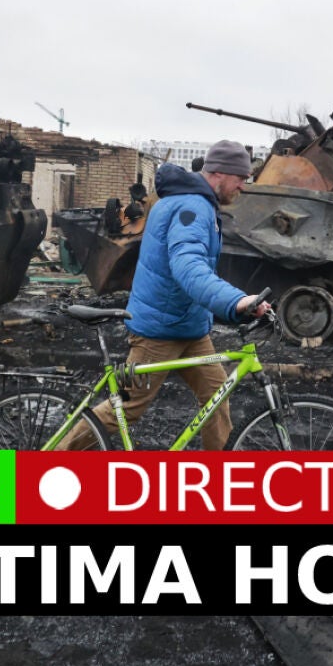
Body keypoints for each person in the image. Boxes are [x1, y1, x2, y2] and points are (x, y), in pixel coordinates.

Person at [60, 140, 269, 450]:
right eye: (241, 177)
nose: (243, 185)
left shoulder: (191, 202)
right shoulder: (192, 208)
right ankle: (49, 459)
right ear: (220, 173)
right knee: (125, 409)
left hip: (188, 327)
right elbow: (188, 267)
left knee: (217, 396)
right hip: (159, 331)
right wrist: (235, 301)